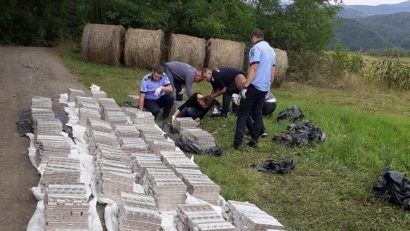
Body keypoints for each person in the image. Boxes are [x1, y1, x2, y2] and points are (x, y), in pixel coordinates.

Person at [232, 29, 276, 149]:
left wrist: (246, 85)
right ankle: (254, 141)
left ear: (253, 37)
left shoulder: (255, 48)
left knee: (243, 113)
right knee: (257, 114)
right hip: (264, 88)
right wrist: (269, 86)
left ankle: (237, 143)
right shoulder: (272, 51)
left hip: (254, 86)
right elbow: (273, 71)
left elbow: (254, 68)